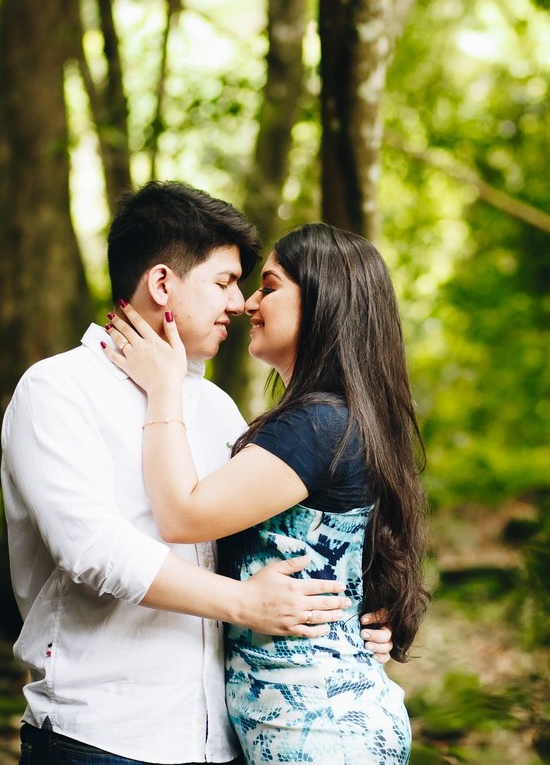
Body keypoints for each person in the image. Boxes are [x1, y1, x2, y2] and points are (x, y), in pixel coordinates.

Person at [1, 183, 393, 765]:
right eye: (225, 282)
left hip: (224, 741)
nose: (239, 303)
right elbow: (93, 549)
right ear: (163, 284)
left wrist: (342, 620)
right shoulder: (58, 389)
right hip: (102, 736)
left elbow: (262, 547)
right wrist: (246, 604)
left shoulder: (215, 409)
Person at [103, 222, 431, 763]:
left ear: (323, 301)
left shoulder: (317, 424)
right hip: (311, 723)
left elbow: (183, 516)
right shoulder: (336, 419)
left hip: (322, 730)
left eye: (270, 286)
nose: (248, 302)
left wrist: (164, 389)